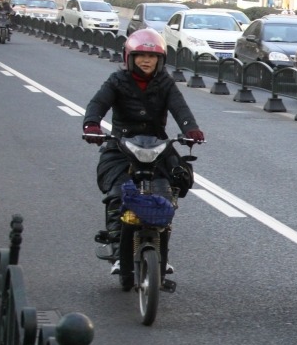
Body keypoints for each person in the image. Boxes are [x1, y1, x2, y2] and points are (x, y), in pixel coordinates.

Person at [82, 28, 205, 275]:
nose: (146, 61)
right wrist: (92, 124)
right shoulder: (117, 81)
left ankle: (162, 257)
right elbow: (97, 104)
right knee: (118, 195)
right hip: (121, 146)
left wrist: (191, 129)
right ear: (129, 57)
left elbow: (180, 109)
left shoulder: (165, 83)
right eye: (140, 56)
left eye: (152, 57)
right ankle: (118, 253)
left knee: (166, 196)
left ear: (160, 61)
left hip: (157, 147)